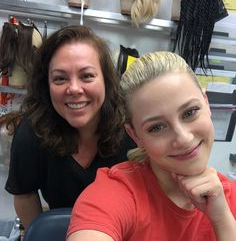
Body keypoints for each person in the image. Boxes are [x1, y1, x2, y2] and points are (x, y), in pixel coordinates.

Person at [67, 51, 236, 241]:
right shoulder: (116, 193)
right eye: (157, 127)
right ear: (134, 135)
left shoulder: (231, 197)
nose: (184, 138)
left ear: (207, 103)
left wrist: (222, 220)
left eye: (190, 112)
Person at [5, 25, 135, 230]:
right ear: (46, 85)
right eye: (60, 78)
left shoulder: (132, 130)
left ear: (106, 81)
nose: (74, 88)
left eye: (87, 76)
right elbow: (25, 194)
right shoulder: (32, 132)